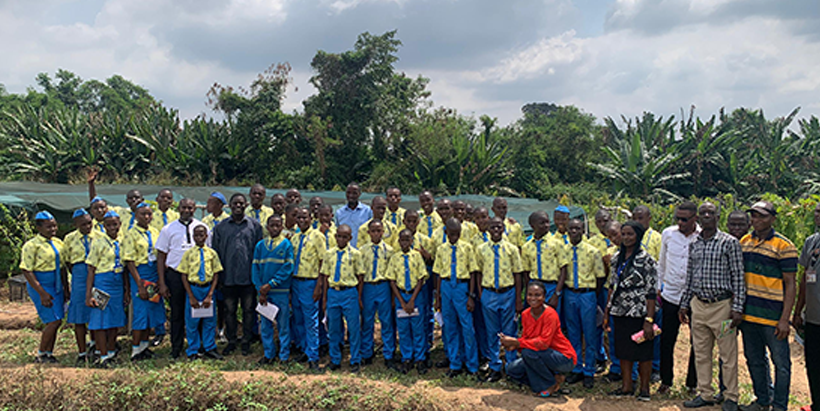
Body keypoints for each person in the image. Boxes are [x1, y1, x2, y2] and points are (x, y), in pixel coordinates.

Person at [679, 202, 745, 411]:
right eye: (703, 213)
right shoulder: (695, 244)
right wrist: (684, 304)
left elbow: (738, 277)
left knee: (728, 355)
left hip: (722, 307)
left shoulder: (729, 243)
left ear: (717, 217)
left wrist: (738, 307)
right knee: (701, 352)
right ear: (698, 218)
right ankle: (705, 393)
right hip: (699, 306)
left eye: (711, 213)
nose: (706, 216)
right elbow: (690, 276)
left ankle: (731, 396)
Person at [739, 201, 798, 411]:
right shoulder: (744, 242)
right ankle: (763, 400)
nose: (756, 220)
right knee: (754, 361)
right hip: (749, 315)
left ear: (773, 218)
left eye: (762, 216)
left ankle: (780, 405)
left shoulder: (785, 246)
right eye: (753, 216)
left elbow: (791, 283)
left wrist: (785, 319)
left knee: (781, 365)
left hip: (773, 317)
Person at [604, 220, 657, 401]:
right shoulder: (616, 258)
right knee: (623, 350)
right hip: (620, 310)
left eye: (630, 234)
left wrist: (649, 319)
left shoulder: (647, 260)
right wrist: (607, 311)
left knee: (643, 352)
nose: (626, 238)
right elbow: (612, 285)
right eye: (624, 234)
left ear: (638, 236)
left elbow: (651, 292)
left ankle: (644, 389)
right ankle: (626, 386)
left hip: (640, 311)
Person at [503, 281, 577, 398]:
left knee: (529, 354)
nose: (533, 298)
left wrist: (517, 343)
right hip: (539, 355)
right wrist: (515, 346)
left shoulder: (550, 314)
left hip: (563, 358)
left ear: (544, 296)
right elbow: (527, 339)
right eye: (530, 295)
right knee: (512, 369)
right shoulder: (526, 314)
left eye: (537, 295)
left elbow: (543, 344)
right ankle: (553, 378)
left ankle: (550, 385)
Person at [212, 193, 264, 356]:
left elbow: (259, 252)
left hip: (248, 278)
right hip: (228, 278)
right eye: (235, 203)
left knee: (249, 310)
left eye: (241, 203)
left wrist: (257, 277)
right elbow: (216, 253)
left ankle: (246, 341)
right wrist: (219, 276)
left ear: (246, 205)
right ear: (230, 205)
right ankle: (231, 341)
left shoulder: (254, 226)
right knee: (229, 310)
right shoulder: (220, 227)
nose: (238, 206)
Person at [657, 201, 700, 394]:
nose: (680, 223)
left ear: (695, 219)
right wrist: (659, 288)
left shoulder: (703, 237)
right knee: (667, 339)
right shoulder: (668, 234)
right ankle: (666, 380)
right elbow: (662, 263)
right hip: (671, 296)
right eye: (678, 219)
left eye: (685, 219)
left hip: (695, 297)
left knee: (697, 341)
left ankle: (692, 383)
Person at [156, 198, 206, 359]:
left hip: (196, 277)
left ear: (194, 209)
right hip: (175, 276)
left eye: (191, 208)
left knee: (197, 312)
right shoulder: (168, 229)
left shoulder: (202, 227)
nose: (187, 210)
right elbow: (161, 256)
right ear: (178, 209)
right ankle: (176, 347)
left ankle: (197, 347)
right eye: (184, 207)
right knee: (177, 313)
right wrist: (162, 282)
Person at [475, 217, 524, 382]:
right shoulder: (481, 249)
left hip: (508, 293)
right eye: (492, 227)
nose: (496, 230)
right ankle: (495, 366)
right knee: (492, 331)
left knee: (509, 330)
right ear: (488, 229)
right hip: (489, 293)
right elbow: (478, 272)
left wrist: (518, 298)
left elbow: (518, 274)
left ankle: (511, 366)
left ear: (503, 229)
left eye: (499, 227)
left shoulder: (511, 249)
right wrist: (482, 294)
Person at [434, 218, 481, 378]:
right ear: (446, 232)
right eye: (451, 234)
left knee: (467, 327)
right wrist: (438, 296)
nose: (453, 237)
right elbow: (439, 274)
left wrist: (471, 296)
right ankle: (455, 363)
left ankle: (472, 365)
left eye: (457, 234)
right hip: (446, 287)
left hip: (462, 287)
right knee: (450, 326)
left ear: (460, 233)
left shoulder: (467, 248)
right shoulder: (441, 249)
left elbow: (473, 272)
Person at [563, 218, 606, 389]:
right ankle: (576, 368)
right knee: (573, 332)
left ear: (583, 231)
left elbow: (600, 276)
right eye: (571, 228)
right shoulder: (563, 250)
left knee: (589, 334)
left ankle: (589, 371)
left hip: (587, 294)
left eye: (578, 228)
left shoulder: (592, 251)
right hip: (569, 294)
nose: (574, 231)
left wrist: (591, 295)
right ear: (567, 231)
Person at [20, 211, 66, 363]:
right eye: (48, 227)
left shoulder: (59, 242)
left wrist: (66, 288)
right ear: (39, 228)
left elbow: (63, 267)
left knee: (57, 320)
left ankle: (48, 353)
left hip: (57, 284)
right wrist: (42, 293)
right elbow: (26, 269)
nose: (53, 229)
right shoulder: (32, 245)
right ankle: (40, 354)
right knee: (52, 321)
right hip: (41, 285)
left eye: (54, 226)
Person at [122, 203, 165, 361]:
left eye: (149, 214)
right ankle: (135, 349)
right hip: (140, 274)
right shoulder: (131, 234)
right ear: (136, 216)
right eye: (142, 214)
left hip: (153, 274)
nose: (146, 217)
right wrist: (139, 284)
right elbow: (129, 261)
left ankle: (144, 347)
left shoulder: (154, 232)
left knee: (151, 311)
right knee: (140, 312)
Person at [85, 210, 128, 367]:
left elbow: (126, 267)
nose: (112, 228)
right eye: (108, 225)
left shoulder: (123, 242)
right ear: (104, 226)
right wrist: (89, 294)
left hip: (117, 283)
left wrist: (127, 291)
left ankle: (111, 352)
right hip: (103, 282)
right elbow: (91, 269)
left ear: (120, 225)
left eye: (115, 224)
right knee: (101, 320)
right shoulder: (98, 243)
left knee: (114, 320)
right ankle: (102, 356)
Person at [320, 224, 364, 373]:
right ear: (335, 236)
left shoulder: (355, 254)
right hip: (333, 292)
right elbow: (325, 276)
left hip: (349, 292)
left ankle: (355, 359)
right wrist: (325, 298)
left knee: (353, 327)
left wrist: (358, 296)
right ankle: (335, 359)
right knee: (333, 328)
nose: (341, 239)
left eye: (345, 237)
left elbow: (360, 275)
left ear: (350, 238)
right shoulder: (329, 254)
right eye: (339, 236)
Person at [252, 215, 294, 365]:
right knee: (265, 324)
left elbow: (288, 267)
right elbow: (255, 269)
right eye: (272, 225)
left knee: (283, 325)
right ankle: (268, 354)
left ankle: (284, 355)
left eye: (278, 225)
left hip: (280, 291)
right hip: (264, 294)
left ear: (282, 227)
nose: (275, 228)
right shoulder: (260, 246)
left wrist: (271, 284)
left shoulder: (286, 244)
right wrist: (260, 290)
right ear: (267, 227)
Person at [177, 225, 223, 360]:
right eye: (196, 235)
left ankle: (209, 347)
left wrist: (210, 294)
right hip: (194, 289)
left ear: (206, 236)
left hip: (208, 289)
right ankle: (193, 350)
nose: (199, 238)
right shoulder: (188, 254)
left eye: (201, 235)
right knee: (192, 321)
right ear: (193, 237)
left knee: (210, 320)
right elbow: (184, 275)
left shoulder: (212, 253)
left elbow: (216, 274)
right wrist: (191, 296)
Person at [388, 229, 429, 374]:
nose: (405, 242)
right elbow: (392, 281)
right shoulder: (394, 258)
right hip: (401, 297)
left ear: (412, 241)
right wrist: (402, 301)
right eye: (402, 240)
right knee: (404, 329)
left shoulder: (417, 257)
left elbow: (421, 278)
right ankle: (407, 358)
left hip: (415, 297)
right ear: (399, 241)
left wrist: (411, 300)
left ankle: (420, 358)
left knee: (418, 329)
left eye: (408, 239)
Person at [290, 207, 326, 370]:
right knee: (298, 319)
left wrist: (319, 285)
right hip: (296, 281)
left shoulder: (318, 236)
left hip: (310, 283)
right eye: (299, 217)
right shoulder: (295, 238)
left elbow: (322, 262)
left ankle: (313, 355)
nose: (302, 220)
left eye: (305, 217)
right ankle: (304, 349)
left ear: (311, 218)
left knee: (311, 320)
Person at [64, 208, 101, 364]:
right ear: (76, 224)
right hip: (79, 275)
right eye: (83, 224)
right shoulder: (69, 239)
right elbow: (67, 261)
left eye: (89, 223)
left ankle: (96, 347)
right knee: (79, 316)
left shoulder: (100, 236)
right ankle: (81, 352)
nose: (87, 227)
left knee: (96, 312)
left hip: (98, 274)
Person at [359, 220, 397, 369]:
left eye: (379, 231)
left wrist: (392, 296)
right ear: (368, 233)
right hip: (368, 287)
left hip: (383, 286)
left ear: (383, 232)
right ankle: (367, 353)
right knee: (367, 321)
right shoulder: (362, 251)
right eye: (373, 231)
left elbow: (392, 274)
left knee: (386, 321)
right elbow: (360, 274)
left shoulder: (389, 250)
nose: (376, 233)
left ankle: (389, 354)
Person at [794, 202, 820, 411]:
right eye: (817, 211)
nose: (817, 215)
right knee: (813, 364)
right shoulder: (812, 242)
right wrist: (797, 311)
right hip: (812, 317)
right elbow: (804, 279)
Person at [632, 205, 662, 380]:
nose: (638, 221)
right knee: (635, 331)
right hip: (633, 295)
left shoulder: (657, 238)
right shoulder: (629, 237)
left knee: (653, 330)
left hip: (652, 292)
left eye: (641, 218)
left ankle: (655, 367)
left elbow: (661, 265)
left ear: (649, 218)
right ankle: (634, 368)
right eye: (635, 217)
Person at [521, 211, 568, 308]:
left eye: (547, 222)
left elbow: (563, 270)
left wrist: (557, 293)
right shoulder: (527, 246)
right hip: (534, 286)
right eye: (542, 223)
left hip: (551, 287)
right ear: (532, 226)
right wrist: (529, 291)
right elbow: (526, 271)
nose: (546, 225)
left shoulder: (556, 244)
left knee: (551, 318)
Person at [335, 183, 372, 248]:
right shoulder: (339, 213)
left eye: (354, 193)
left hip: (363, 251)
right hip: (345, 252)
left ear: (359, 194)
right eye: (348, 192)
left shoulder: (367, 211)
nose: (351, 195)